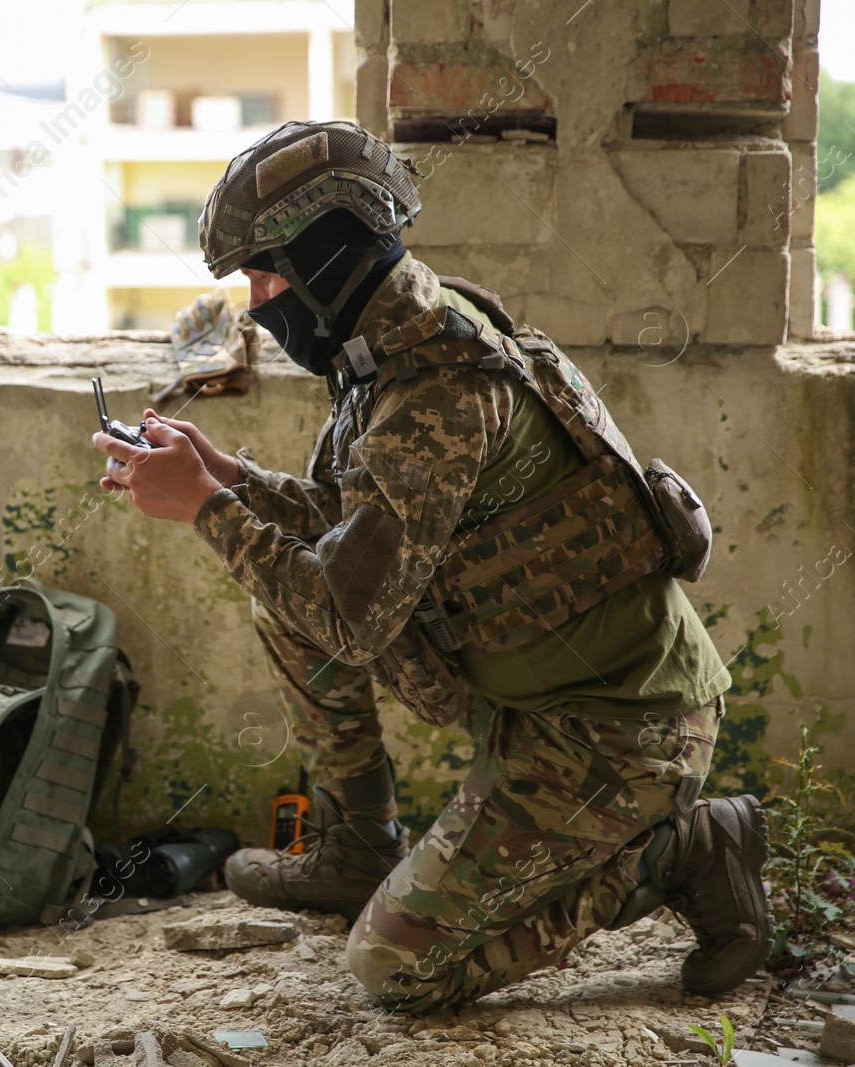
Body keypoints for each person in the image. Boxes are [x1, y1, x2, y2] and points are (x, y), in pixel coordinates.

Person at [90, 119, 772, 1014]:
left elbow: (351, 615)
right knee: (280, 596)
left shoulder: (437, 388)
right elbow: (357, 534)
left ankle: (679, 848)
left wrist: (206, 510)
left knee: (394, 969)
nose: (256, 300)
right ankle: (360, 846)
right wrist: (229, 476)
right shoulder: (394, 341)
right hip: (537, 700)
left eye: (265, 271)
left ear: (327, 258)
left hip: (614, 735)